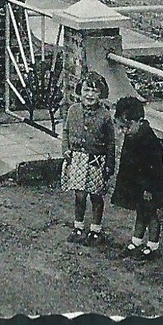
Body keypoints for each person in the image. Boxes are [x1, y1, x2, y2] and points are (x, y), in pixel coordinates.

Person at [111, 96, 163, 258]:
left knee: (151, 214)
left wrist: (148, 188)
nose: (123, 131)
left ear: (139, 121)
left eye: (126, 127)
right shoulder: (132, 136)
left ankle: (153, 246)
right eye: (121, 127)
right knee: (141, 212)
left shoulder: (149, 141)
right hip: (138, 185)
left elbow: (154, 168)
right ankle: (136, 241)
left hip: (150, 187)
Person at [61, 71, 116, 244]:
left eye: (94, 91)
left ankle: (95, 230)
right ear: (80, 91)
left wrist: (109, 164)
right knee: (79, 196)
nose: (90, 95)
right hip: (77, 159)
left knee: (96, 196)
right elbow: (66, 131)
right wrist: (66, 149)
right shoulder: (73, 111)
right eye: (86, 90)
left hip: (96, 160)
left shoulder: (105, 116)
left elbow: (110, 143)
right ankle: (78, 227)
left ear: (101, 93)